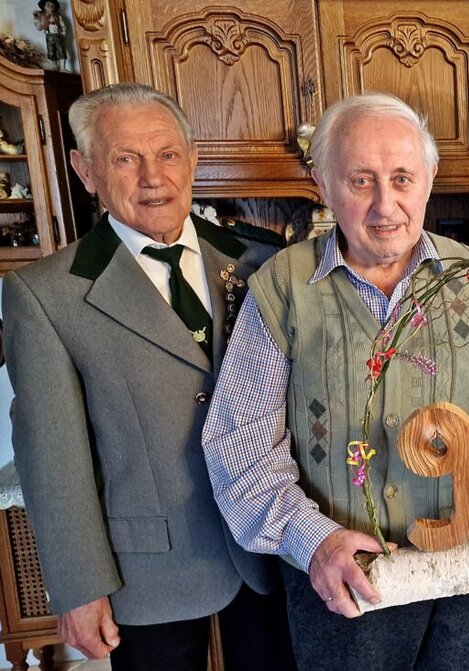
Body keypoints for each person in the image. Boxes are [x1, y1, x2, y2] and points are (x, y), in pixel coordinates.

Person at [202, 91, 469, 671]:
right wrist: (316, 543)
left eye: (402, 178)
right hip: (347, 579)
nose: (386, 205)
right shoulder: (282, 288)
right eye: (360, 181)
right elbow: (239, 444)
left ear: (428, 179)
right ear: (324, 187)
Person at [2, 82, 294, 671]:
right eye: (125, 159)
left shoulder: (260, 260)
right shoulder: (46, 295)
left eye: (166, 154)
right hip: (148, 569)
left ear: (191, 159)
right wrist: (80, 587)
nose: (152, 177)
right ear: (87, 172)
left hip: (269, 546)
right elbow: (53, 459)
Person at [33, 0, 67, 70]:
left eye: (52, 5)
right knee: (51, 52)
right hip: (49, 36)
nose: (50, 6)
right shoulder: (43, 17)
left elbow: (63, 25)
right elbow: (39, 27)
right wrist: (36, 19)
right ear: (44, 7)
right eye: (48, 5)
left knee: (61, 50)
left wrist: (63, 34)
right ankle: (54, 66)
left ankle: (62, 67)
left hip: (58, 36)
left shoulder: (58, 16)